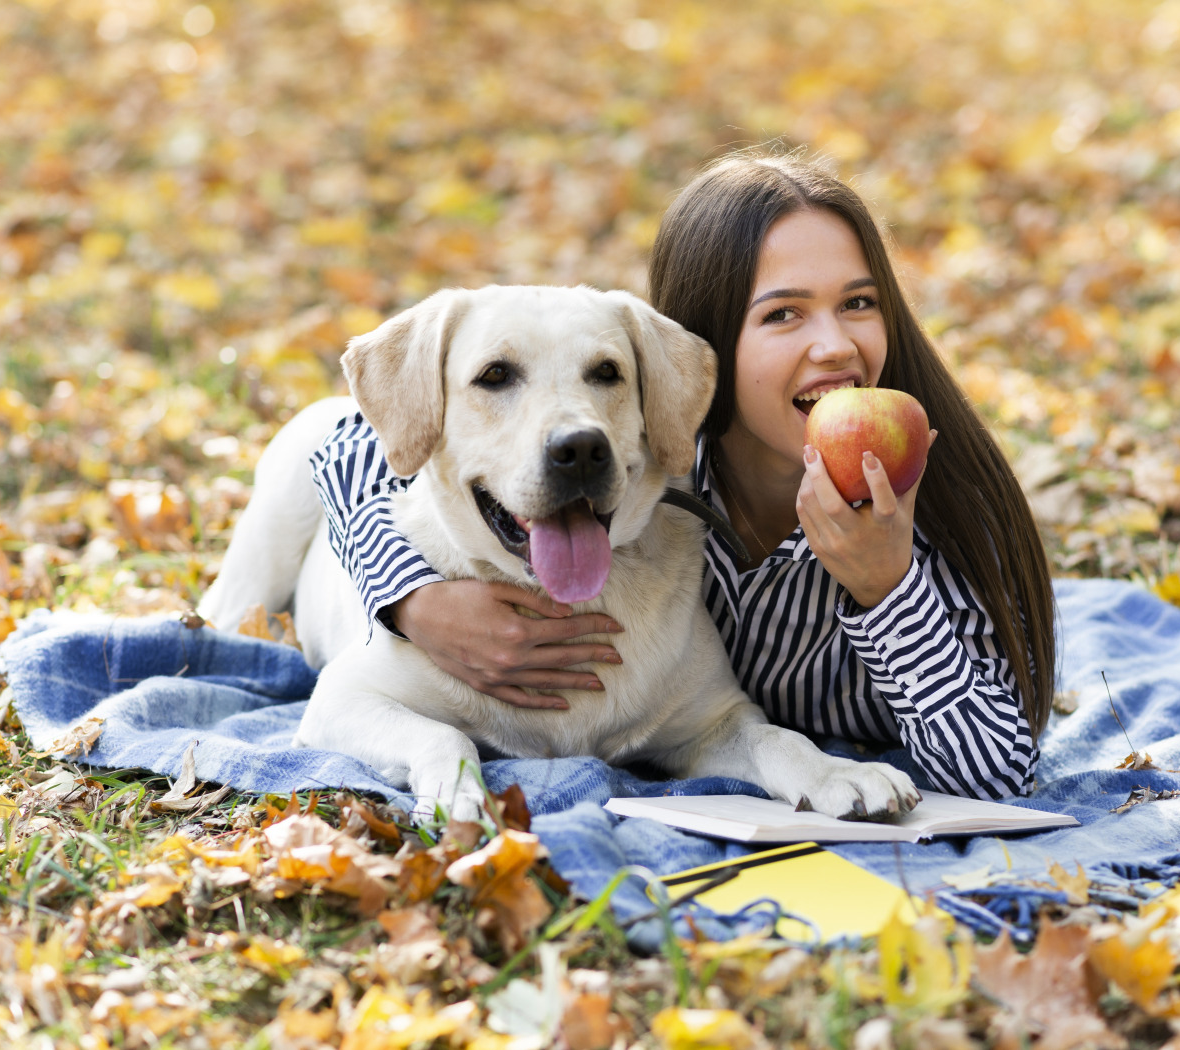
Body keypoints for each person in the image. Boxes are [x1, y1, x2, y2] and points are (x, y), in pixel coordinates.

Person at [309, 151, 1056, 801]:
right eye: (784, 315)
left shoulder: (927, 505)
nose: (833, 345)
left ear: (655, 384)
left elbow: (998, 773)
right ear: (713, 344)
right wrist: (410, 600)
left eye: (858, 303)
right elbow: (344, 443)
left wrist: (888, 587)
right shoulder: (682, 462)